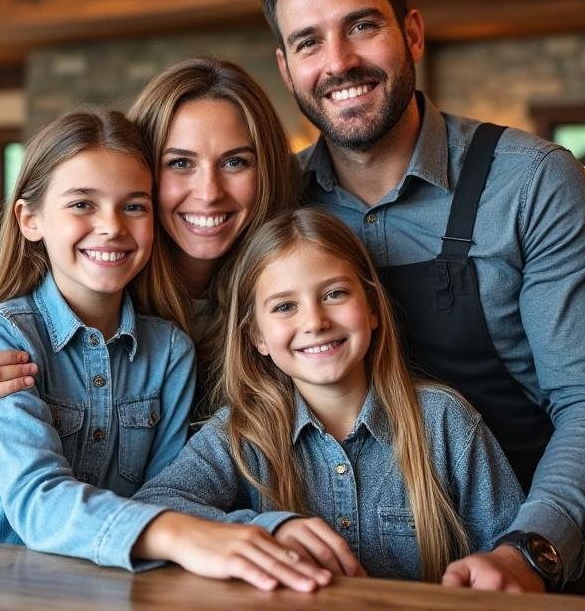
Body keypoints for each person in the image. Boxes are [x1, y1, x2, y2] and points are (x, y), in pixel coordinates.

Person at [254, 0, 585, 592]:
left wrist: (531, 552)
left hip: (511, 570)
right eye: (308, 42)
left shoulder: (532, 183)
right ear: (286, 68)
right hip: (324, 582)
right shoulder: (273, 202)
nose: (338, 62)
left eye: (361, 26)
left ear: (412, 34)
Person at [0, 107, 330, 593]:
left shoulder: (169, 351)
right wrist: (176, 532)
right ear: (30, 218)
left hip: (110, 587)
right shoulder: (5, 337)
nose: (111, 226)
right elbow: (36, 501)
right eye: (82, 204)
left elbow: (166, 495)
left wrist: (266, 528)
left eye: (134, 206)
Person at [133, 207, 523, 583]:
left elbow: (510, 550)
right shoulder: (241, 433)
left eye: (335, 294)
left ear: (372, 308)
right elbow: (153, 507)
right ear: (256, 336)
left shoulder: (444, 421)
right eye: (285, 306)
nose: (315, 322)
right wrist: (267, 531)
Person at [0, 58, 299, 423]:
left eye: (235, 162)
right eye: (180, 163)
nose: (209, 192)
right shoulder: (92, 290)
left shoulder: (291, 289)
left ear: (266, 172)